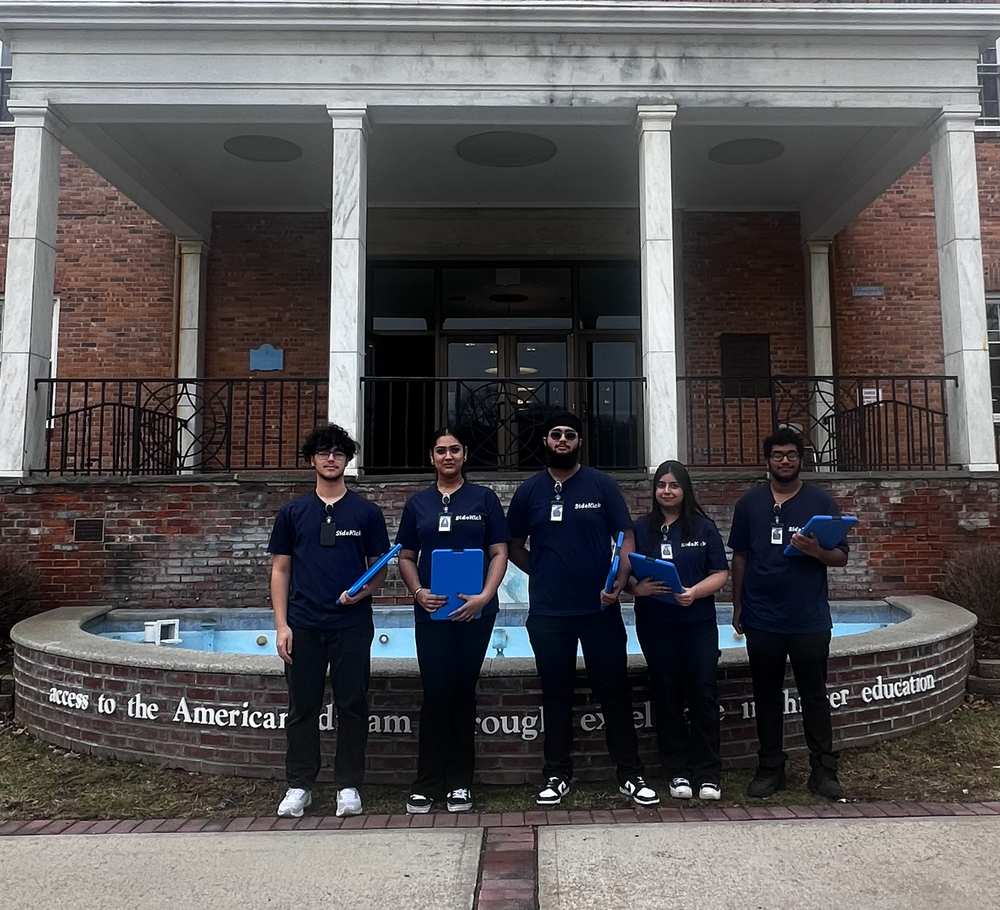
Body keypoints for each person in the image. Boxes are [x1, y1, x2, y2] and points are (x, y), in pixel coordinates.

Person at [507, 411, 658, 808]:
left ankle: (630, 773)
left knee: (614, 691)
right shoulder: (529, 491)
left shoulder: (601, 485)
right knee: (555, 694)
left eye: (569, 435)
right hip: (549, 612)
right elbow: (512, 544)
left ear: (578, 442)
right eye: (554, 434)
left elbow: (625, 536)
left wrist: (621, 579)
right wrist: (538, 568)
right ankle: (556, 774)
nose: (562, 440)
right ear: (545, 441)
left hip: (599, 609)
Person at [268, 423, 391, 819]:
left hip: (351, 624)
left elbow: (380, 571)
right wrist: (282, 625)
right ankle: (299, 785)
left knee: (352, 704)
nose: (331, 458)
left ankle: (349, 786)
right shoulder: (293, 512)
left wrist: (364, 591)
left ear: (347, 459)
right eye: (323, 452)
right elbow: (281, 570)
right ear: (312, 460)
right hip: (303, 623)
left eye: (338, 452)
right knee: (302, 706)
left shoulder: (366, 512)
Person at [728, 427, 850, 801]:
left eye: (791, 455)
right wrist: (737, 605)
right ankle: (770, 769)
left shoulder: (820, 502)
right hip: (763, 616)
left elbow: (841, 557)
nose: (784, 460)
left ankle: (824, 770)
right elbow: (741, 556)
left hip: (808, 617)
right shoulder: (750, 504)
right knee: (766, 695)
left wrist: (815, 550)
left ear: (801, 459)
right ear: (767, 461)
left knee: (814, 694)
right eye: (778, 455)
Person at [396, 427, 509, 814]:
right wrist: (417, 593)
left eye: (455, 450)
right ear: (432, 457)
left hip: (475, 612)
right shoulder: (418, 504)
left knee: (463, 693)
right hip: (433, 612)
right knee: (436, 693)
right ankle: (426, 784)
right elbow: (406, 556)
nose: (448, 456)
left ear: (464, 456)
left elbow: (498, 553)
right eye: (441, 450)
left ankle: (460, 784)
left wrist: (484, 596)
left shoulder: (484, 499)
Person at [627, 461, 729, 801]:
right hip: (656, 625)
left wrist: (694, 593)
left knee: (702, 693)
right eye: (661, 485)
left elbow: (720, 572)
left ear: (685, 490)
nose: (666, 491)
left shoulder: (703, 527)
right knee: (666, 695)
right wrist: (633, 589)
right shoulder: (641, 528)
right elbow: (625, 570)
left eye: (673, 485)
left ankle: (708, 774)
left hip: (697, 624)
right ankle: (678, 772)